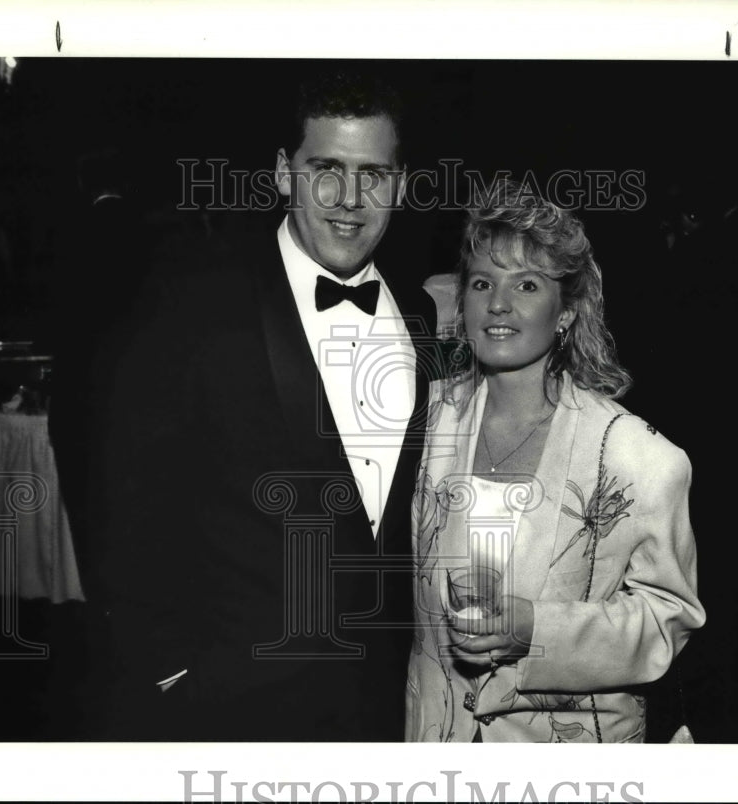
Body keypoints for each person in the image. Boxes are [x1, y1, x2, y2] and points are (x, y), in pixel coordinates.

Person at [64, 71, 439, 741]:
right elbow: (120, 504)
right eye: (326, 169)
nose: (350, 198)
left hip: (387, 709)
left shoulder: (421, 313)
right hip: (232, 707)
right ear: (282, 174)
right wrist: (168, 675)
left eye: (374, 175)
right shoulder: (192, 306)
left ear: (401, 184)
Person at [406, 180, 705, 742]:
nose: (499, 303)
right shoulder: (421, 423)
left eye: (526, 284)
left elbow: (669, 618)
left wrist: (537, 630)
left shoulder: (637, 456)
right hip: (432, 755)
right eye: (481, 282)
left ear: (566, 311)